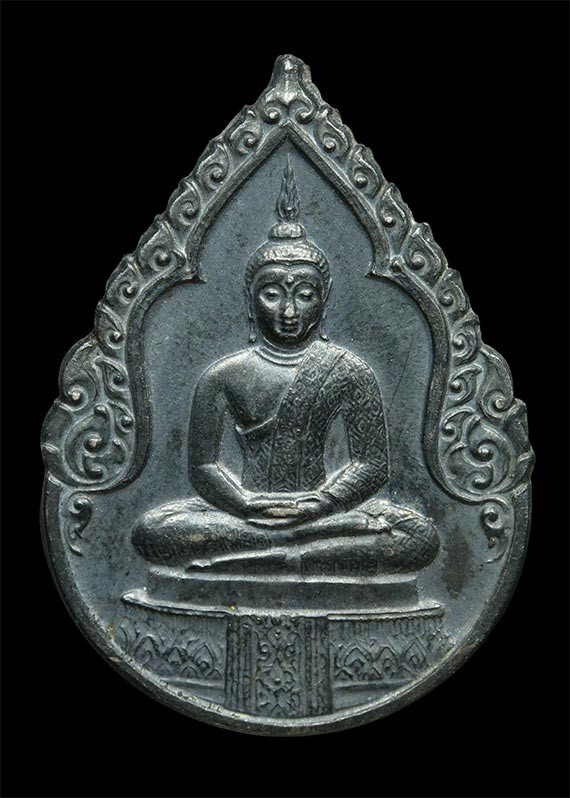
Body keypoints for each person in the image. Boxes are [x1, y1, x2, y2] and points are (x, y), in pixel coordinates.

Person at [132, 161, 439, 575]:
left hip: (323, 513)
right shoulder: (223, 376)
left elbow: (372, 466)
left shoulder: (349, 370)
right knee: (154, 530)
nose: (290, 311)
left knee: (418, 533)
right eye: (273, 294)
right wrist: (245, 504)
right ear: (251, 299)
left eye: (305, 295)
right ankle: (299, 553)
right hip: (247, 515)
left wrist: (322, 503)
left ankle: (271, 555)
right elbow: (203, 467)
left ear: (324, 301)